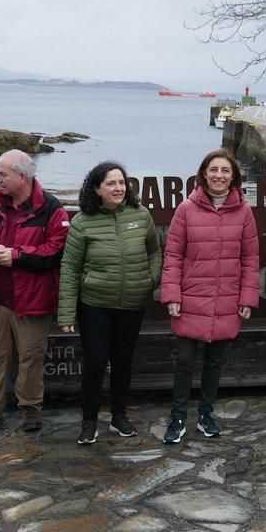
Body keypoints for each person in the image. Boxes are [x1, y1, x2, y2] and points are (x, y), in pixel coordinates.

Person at [0, 150, 70, 436]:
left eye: (2, 174)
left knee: (31, 357)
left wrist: (18, 256)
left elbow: (55, 251)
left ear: (22, 177)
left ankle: (30, 409)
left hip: (33, 301)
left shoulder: (50, 208)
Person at [161, 149, 260, 444]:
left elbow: (250, 259)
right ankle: (178, 417)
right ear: (203, 173)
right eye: (214, 170)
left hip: (227, 300)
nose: (219, 175)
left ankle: (206, 414)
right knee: (185, 360)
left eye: (225, 171)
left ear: (233, 176)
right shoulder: (186, 209)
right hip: (190, 299)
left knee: (215, 363)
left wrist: (246, 299)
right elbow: (173, 257)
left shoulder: (244, 212)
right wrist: (172, 295)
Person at [58, 161, 161, 444]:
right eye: (111, 184)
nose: (118, 188)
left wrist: (150, 280)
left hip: (131, 304)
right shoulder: (82, 222)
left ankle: (119, 416)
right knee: (94, 364)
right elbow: (70, 269)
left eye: (122, 182)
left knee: (123, 363)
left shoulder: (141, 215)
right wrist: (66, 313)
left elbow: (155, 251)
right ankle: (89, 422)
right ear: (96, 189)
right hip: (95, 306)